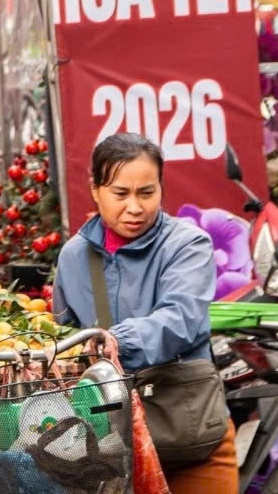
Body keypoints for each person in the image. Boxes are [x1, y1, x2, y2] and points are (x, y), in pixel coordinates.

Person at [51, 133, 236, 494]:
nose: (134, 207)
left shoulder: (187, 244)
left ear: (161, 188)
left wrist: (115, 342)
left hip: (189, 436)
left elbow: (180, 319)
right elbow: (63, 332)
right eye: (121, 194)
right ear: (95, 190)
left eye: (146, 193)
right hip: (110, 446)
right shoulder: (74, 256)